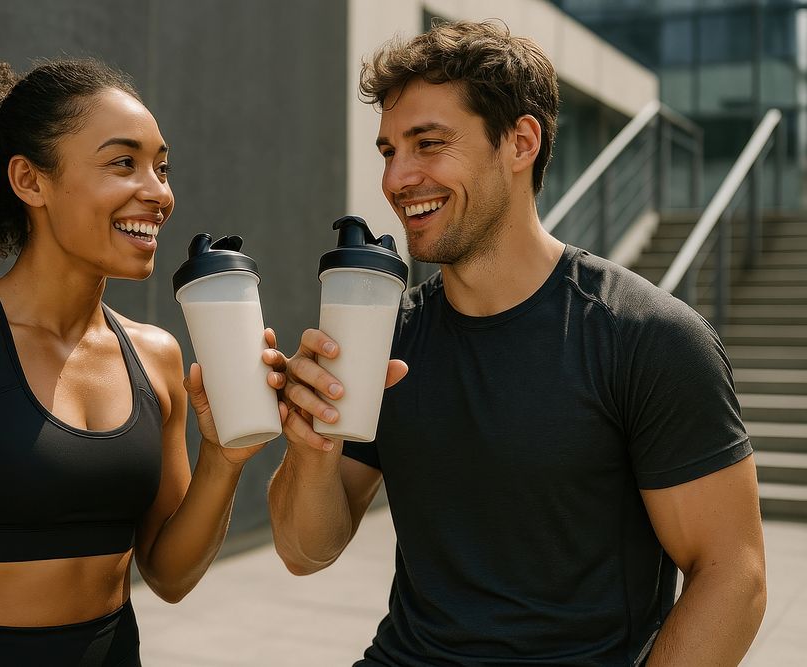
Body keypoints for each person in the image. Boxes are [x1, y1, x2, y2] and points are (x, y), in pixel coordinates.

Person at [267, 20, 766, 665]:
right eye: (390, 150)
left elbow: (735, 576)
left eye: (429, 144)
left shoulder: (646, 339)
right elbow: (306, 553)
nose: (397, 178)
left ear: (520, 142)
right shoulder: (385, 337)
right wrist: (312, 451)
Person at [0, 58, 283, 666]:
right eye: (123, 162)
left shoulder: (156, 355)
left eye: (162, 166)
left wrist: (225, 459)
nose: (158, 192)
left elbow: (170, 575)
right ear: (30, 180)